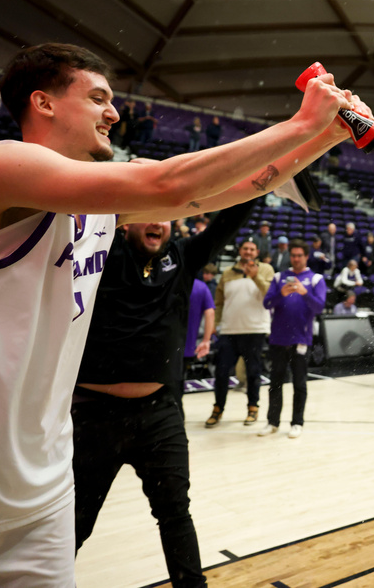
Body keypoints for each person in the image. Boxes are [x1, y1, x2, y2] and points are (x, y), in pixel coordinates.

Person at [0, 42, 358, 586]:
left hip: (42, 488)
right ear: (44, 102)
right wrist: (301, 123)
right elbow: (170, 183)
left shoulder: (102, 205)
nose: (114, 112)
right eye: (98, 98)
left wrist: (327, 135)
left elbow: (214, 194)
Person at [72, 200, 254, 588]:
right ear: (123, 221)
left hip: (159, 414)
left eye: (164, 213)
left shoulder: (184, 257)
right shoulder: (101, 251)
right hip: (92, 417)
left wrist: (274, 172)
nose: (156, 220)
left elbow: (230, 218)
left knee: (175, 514)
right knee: (73, 523)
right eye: (145, 210)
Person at [260, 239, 326, 438]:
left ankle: (297, 422)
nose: (296, 259)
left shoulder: (316, 279)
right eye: (293, 255)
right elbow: (266, 304)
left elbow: (319, 308)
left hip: (301, 340)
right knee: (275, 383)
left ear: (306, 257)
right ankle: (272, 422)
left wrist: (305, 294)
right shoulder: (280, 277)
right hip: (278, 339)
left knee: (299, 384)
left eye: (300, 255)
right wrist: (280, 294)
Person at [207, 239, 275, 428]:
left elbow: (270, 294)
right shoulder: (228, 273)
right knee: (221, 372)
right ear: (240, 250)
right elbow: (219, 301)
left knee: (253, 372)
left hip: (255, 329)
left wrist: (255, 276)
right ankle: (218, 408)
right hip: (229, 330)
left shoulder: (267, 270)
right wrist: (216, 323)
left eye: (252, 249)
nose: (248, 251)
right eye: (245, 248)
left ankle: (253, 408)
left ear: (257, 252)